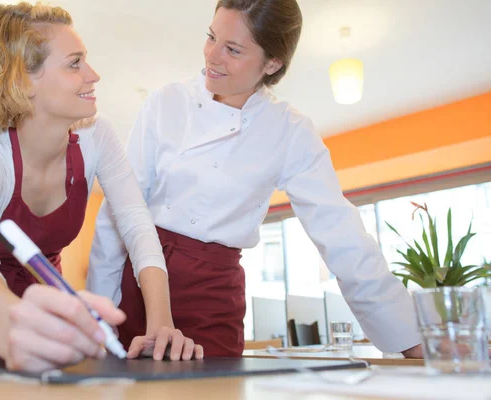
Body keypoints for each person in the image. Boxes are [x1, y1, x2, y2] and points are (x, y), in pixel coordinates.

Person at [89, 0, 423, 359]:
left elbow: (342, 235)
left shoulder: (289, 131)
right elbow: (119, 213)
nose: (211, 56)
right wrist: (99, 317)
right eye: (211, 37)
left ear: (272, 63)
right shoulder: (166, 102)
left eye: (233, 49)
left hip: (211, 295)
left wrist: (412, 341)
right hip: (139, 282)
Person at [0, 2, 201, 372]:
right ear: (23, 82)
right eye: (75, 63)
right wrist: (10, 323)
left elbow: (137, 225)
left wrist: (162, 322)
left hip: (41, 297)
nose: (94, 74)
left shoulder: (97, 136)